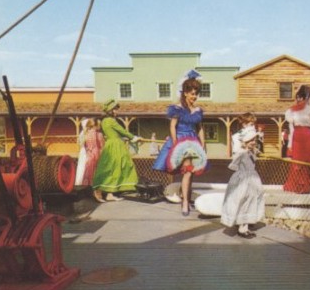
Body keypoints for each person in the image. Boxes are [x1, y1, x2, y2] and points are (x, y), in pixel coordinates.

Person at [153, 72, 208, 216]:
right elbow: (173, 126)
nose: (194, 97)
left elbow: (200, 128)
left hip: (193, 142)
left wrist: (203, 143)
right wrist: (176, 144)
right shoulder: (178, 108)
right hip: (181, 141)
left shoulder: (197, 110)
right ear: (185, 93)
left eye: (196, 94)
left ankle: (186, 198)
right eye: (192, 94)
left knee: (191, 173)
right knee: (188, 171)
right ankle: (185, 202)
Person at [93, 99, 141, 203]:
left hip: (113, 143)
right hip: (115, 146)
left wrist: (123, 138)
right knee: (116, 166)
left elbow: (113, 133)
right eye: (115, 109)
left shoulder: (104, 121)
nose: (117, 111)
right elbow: (121, 130)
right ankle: (98, 190)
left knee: (114, 168)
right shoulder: (110, 120)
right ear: (111, 110)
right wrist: (134, 137)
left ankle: (110, 193)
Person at [221, 129, 265, 239]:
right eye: (251, 141)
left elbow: (253, 161)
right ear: (244, 142)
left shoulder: (251, 152)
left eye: (254, 140)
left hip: (252, 178)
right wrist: (241, 173)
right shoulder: (241, 153)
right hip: (243, 178)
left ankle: (245, 225)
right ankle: (242, 227)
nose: (253, 142)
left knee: (251, 200)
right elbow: (233, 165)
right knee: (242, 200)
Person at [283, 85, 310, 193]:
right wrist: (289, 145)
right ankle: (298, 186)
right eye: (298, 97)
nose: (299, 100)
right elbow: (291, 129)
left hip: (308, 136)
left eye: (302, 97)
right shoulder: (291, 111)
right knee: (297, 161)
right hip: (297, 136)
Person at [80, 118, 103, 187]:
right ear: (94, 125)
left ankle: (87, 186)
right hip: (96, 152)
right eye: (99, 125)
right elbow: (102, 146)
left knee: (89, 169)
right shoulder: (99, 134)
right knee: (96, 169)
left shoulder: (85, 134)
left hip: (89, 153)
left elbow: (82, 144)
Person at [74, 119, 90, 186]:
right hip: (85, 151)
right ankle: (81, 181)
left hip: (86, 150)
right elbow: (80, 142)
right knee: (83, 165)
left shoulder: (85, 133)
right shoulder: (83, 133)